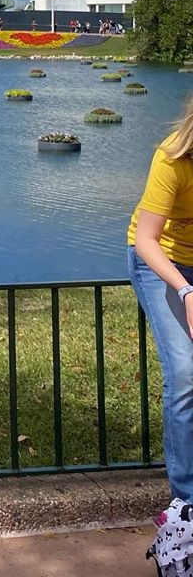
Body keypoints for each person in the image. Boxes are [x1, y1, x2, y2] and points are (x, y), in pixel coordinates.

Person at [129, 96, 193, 501]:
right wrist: (185, 291)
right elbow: (146, 240)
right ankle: (187, 501)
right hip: (160, 261)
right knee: (186, 373)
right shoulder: (172, 159)